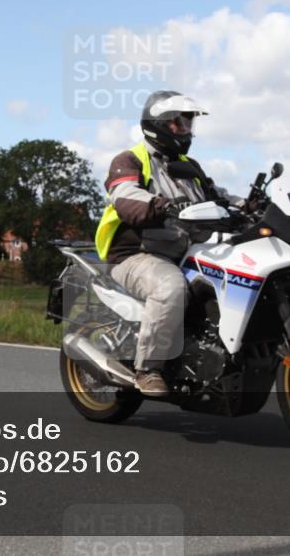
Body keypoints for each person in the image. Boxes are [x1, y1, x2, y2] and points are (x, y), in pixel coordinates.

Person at [94, 91, 244, 397]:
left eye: (188, 124)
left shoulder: (189, 166)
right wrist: (160, 205)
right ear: (159, 124)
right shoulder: (130, 160)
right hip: (136, 255)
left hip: (183, 251)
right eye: (179, 123)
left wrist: (249, 205)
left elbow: (218, 197)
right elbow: (125, 196)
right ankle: (149, 368)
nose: (186, 130)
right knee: (170, 286)